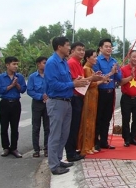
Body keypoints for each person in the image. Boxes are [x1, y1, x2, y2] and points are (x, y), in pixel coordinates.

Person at [45, 36, 89, 175]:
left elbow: (67, 80)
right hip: (57, 102)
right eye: (67, 45)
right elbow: (53, 85)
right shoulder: (52, 63)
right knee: (55, 135)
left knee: (64, 134)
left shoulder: (63, 62)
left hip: (67, 101)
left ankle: (58, 160)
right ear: (59, 47)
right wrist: (73, 84)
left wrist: (76, 80)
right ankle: (53, 165)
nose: (69, 48)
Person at [93, 38, 122, 150]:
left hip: (111, 92)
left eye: (110, 47)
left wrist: (117, 71)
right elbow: (99, 77)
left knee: (107, 118)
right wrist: (111, 72)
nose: (109, 48)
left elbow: (118, 78)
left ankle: (104, 141)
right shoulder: (97, 61)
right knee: (98, 118)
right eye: (106, 46)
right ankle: (96, 141)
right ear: (101, 48)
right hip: (100, 92)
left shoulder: (114, 61)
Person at [0, 56, 27, 158]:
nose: (16, 66)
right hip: (5, 103)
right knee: (4, 127)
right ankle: (5, 147)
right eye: (14, 64)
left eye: (17, 64)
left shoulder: (20, 77)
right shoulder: (0, 77)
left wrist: (17, 85)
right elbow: (0, 91)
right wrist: (11, 85)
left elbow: (22, 90)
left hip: (15, 103)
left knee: (14, 127)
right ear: (7, 65)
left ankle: (14, 148)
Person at [77, 49, 105, 155]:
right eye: (94, 56)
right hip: (89, 97)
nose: (96, 58)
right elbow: (89, 84)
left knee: (92, 121)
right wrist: (101, 80)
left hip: (94, 97)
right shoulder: (86, 69)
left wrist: (98, 78)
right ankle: (85, 146)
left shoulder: (91, 69)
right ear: (87, 58)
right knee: (87, 122)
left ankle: (90, 145)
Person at [65, 42, 87, 162]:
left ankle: (73, 150)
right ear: (72, 51)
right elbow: (76, 81)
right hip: (74, 97)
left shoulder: (78, 63)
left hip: (79, 96)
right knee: (72, 126)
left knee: (76, 125)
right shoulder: (72, 63)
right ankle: (70, 152)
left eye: (83, 50)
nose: (82, 52)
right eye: (79, 50)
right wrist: (91, 79)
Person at [27, 56, 49, 158]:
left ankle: (47, 148)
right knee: (36, 127)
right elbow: (30, 90)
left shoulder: (49, 75)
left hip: (48, 102)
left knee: (47, 127)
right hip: (37, 103)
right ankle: (36, 149)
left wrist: (48, 96)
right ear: (38, 64)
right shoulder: (32, 77)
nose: (46, 64)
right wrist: (41, 96)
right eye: (44, 63)